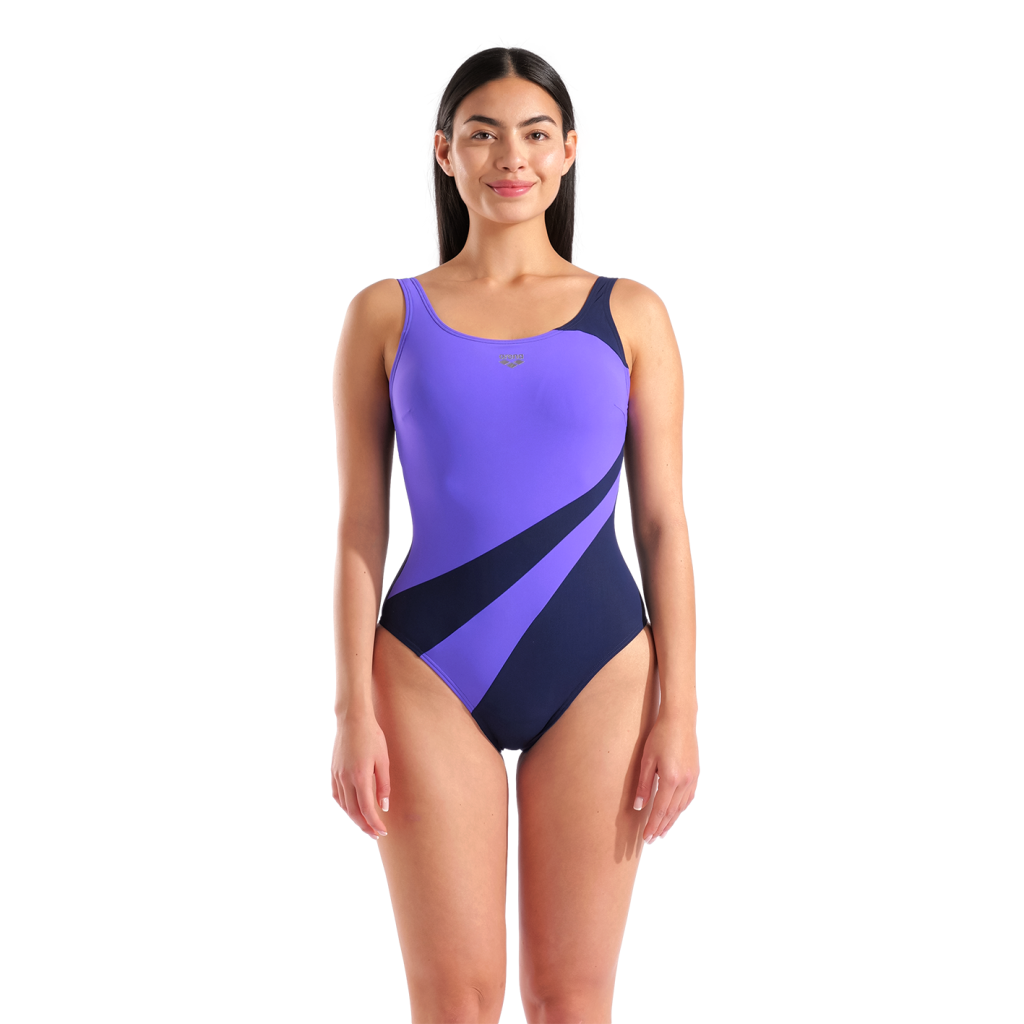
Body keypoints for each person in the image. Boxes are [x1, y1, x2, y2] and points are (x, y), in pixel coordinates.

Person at [330, 46, 698, 1024]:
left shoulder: (630, 314)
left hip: (601, 667)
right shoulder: (385, 314)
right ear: (443, 152)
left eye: (535, 134)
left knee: (570, 1000)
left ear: (569, 150)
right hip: (426, 669)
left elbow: (663, 521)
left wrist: (681, 709)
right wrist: (351, 709)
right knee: (454, 1002)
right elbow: (360, 524)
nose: (510, 157)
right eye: (483, 134)